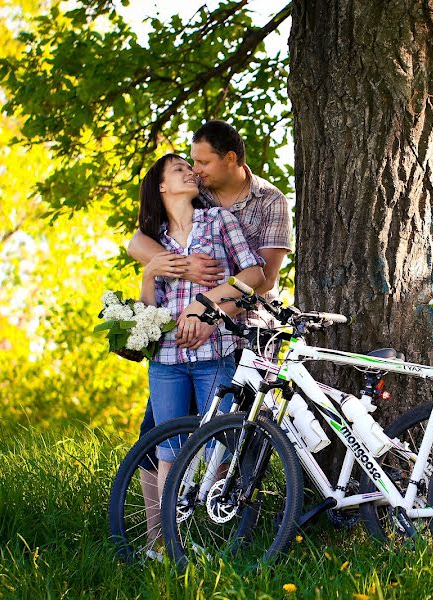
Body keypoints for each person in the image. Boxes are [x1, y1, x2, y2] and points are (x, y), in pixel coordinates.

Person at [135, 152, 266, 553]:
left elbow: (254, 275)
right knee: (169, 454)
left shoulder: (219, 221)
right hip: (167, 361)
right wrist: (149, 273)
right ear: (161, 187)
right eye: (178, 169)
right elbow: (149, 316)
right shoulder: (155, 240)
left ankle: (223, 544)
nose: (189, 172)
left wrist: (206, 306)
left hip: (217, 350)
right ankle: (162, 547)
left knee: (219, 451)